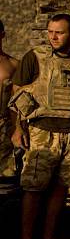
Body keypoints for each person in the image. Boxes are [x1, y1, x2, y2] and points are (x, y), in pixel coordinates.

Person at [11, 13, 70, 239]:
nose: (53, 36)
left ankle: (49, 238)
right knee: (34, 188)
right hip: (42, 132)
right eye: (50, 31)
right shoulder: (34, 57)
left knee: (61, 188)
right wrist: (19, 128)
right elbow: (17, 95)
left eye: (59, 32)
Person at [0, 19, 18, 178]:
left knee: (6, 178)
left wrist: (18, 129)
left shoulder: (13, 65)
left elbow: (18, 102)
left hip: (4, 128)